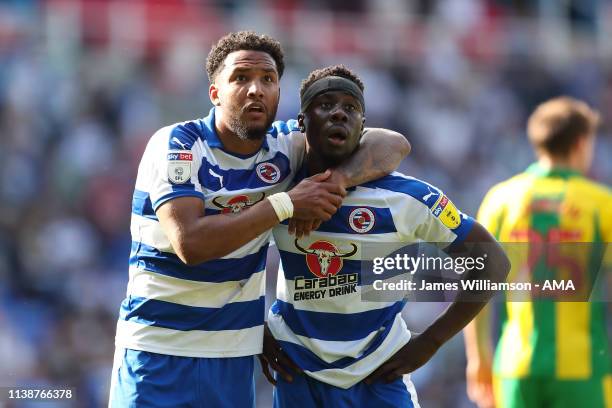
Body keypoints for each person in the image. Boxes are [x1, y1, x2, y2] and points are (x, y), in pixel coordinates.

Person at [107, 31, 410, 407]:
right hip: (157, 350)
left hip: (233, 357)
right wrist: (287, 204)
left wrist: (339, 180)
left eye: (268, 80)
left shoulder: (284, 146)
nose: (256, 90)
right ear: (215, 93)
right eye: (241, 78)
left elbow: (392, 143)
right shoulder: (179, 145)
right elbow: (191, 244)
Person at [261, 65, 510, 408]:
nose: (338, 113)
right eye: (325, 104)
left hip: (378, 375)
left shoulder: (406, 198)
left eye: (350, 108)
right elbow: (227, 255)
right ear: (301, 122)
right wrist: (254, 330)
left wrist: (431, 342)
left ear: (363, 127)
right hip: (297, 375)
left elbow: (492, 262)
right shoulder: (278, 189)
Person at [464, 96, 612, 408]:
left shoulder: (501, 199)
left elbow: (474, 285)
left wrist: (478, 358)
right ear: (582, 143)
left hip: (516, 364)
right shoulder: (600, 203)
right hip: (583, 366)